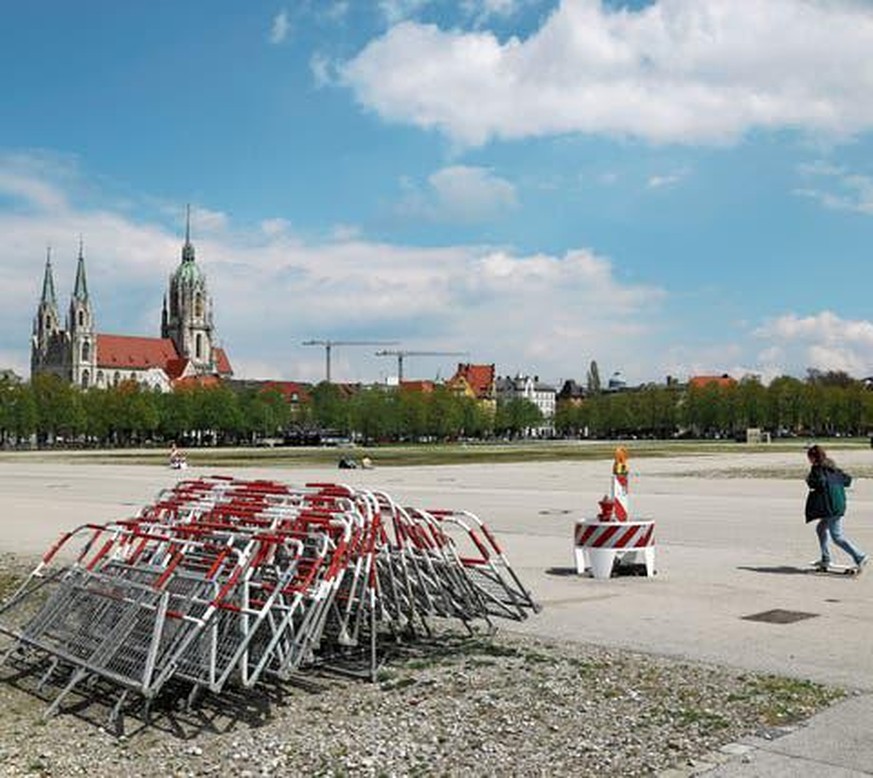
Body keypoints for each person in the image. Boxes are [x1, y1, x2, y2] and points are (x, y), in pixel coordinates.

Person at [805, 444, 867, 571]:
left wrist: (810, 480)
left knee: (837, 537)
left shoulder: (817, 469)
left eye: (809, 457)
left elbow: (819, 483)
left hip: (832, 507)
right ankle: (825, 558)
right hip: (838, 504)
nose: (808, 460)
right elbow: (848, 480)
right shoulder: (832, 468)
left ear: (814, 458)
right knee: (821, 528)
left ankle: (859, 556)